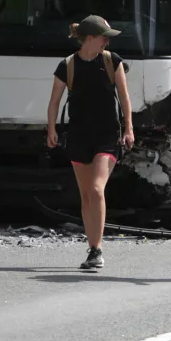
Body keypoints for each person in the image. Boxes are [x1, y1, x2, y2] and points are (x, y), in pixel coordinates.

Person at [46, 15, 134, 270]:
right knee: (86, 196)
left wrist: (129, 128)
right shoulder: (68, 65)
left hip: (107, 136)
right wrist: (51, 128)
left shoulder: (111, 61)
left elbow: (125, 99)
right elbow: (54, 101)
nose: (108, 40)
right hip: (78, 137)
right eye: (104, 36)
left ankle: (98, 249)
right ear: (90, 38)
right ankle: (92, 247)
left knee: (96, 189)